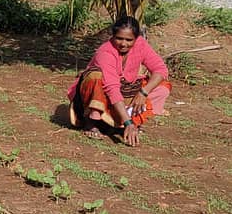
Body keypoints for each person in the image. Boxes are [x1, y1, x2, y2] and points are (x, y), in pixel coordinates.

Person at [67, 16, 171, 146]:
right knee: (96, 77)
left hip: (124, 90)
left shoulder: (141, 45)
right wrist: (128, 123)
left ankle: (122, 121)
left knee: (162, 85)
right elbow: (112, 88)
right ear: (113, 36)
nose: (123, 44)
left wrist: (143, 92)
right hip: (105, 91)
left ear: (137, 38)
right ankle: (91, 122)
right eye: (119, 38)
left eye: (129, 40)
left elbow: (160, 70)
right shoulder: (105, 52)